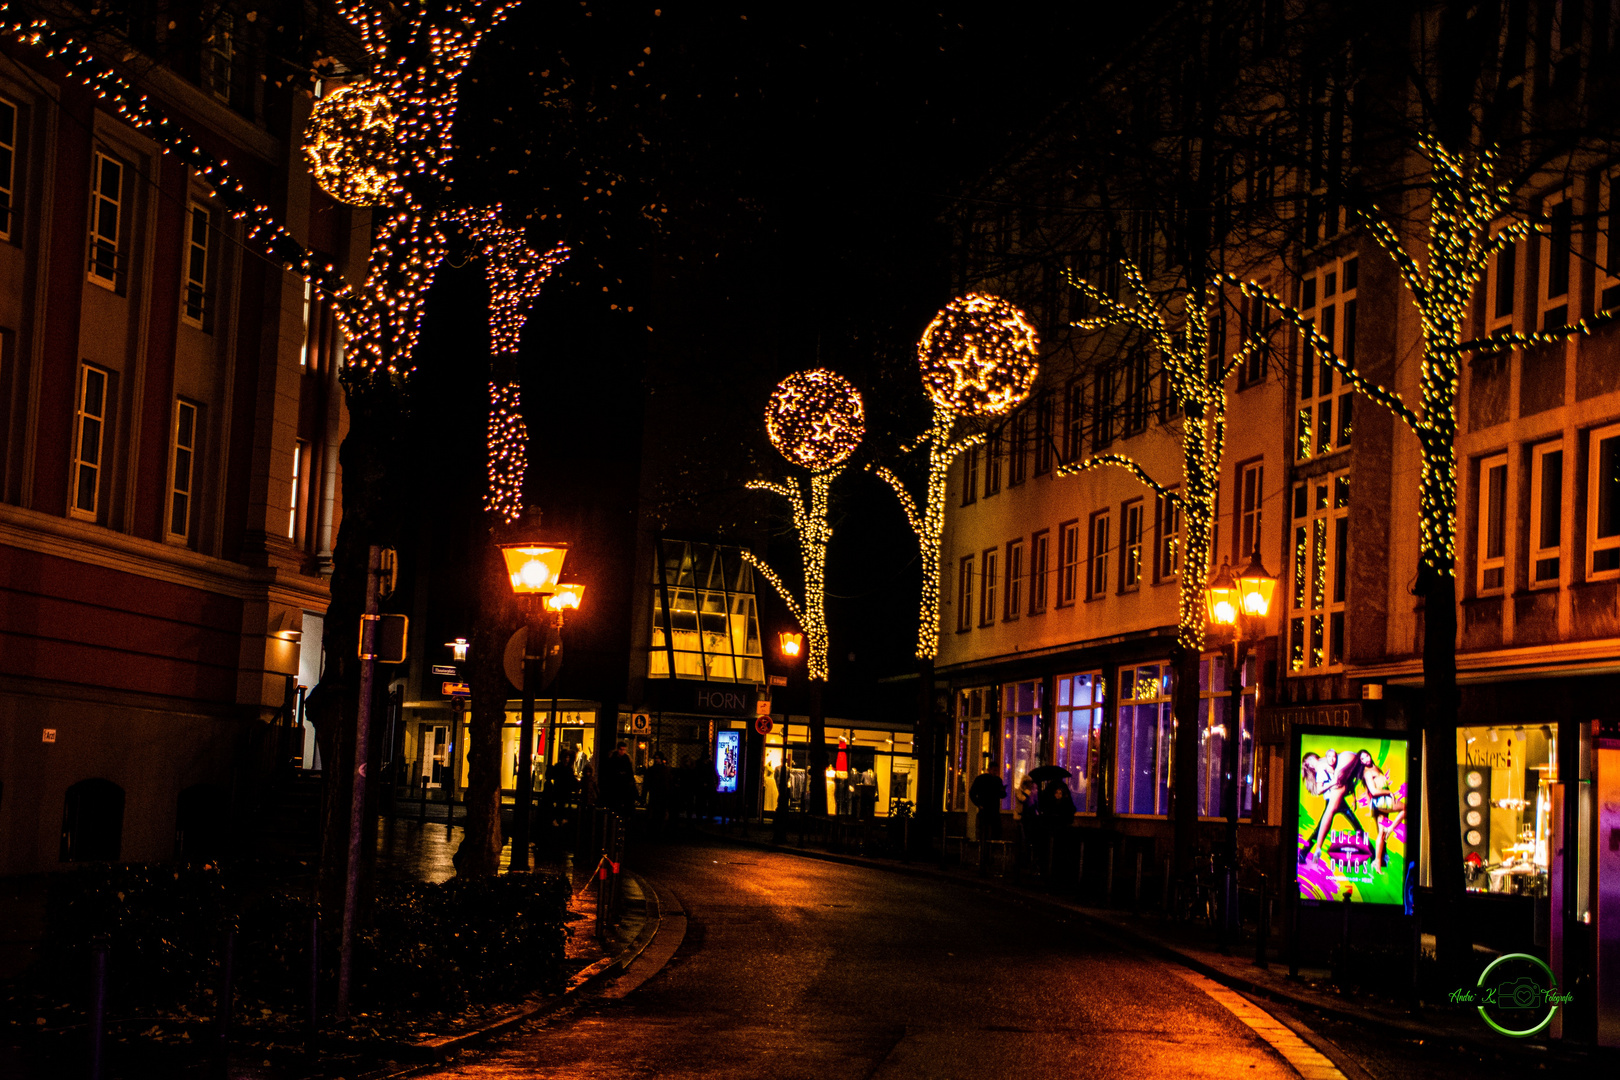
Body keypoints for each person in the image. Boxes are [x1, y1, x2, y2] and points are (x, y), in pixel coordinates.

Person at [1357, 749, 1405, 870]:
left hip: (1382, 801)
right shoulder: (1367, 773)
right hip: (1381, 801)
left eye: (1366, 756)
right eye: (1362, 759)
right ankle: (1391, 828)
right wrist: (1389, 792)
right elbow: (1373, 791)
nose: (1365, 759)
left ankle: (1377, 863)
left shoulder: (1376, 768)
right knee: (1405, 808)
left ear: (1370, 755)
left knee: (1381, 833)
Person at [968, 760, 1006, 877]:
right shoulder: (985, 779)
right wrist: (979, 804)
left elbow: (1001, 795)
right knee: (987, 835)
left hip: (990, 811)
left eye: (996, 770)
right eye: (994, 770)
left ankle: (987, 860)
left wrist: (979, 803)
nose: (995, 772)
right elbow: (972, 793)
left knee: (990, 835)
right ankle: (985, 860)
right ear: (989, 769)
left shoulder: (992, 780)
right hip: (988, 811)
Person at [603, 741, 638, 821]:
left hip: (623, 786)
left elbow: (630, 773)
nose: (622, 751)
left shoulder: (625, 759)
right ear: (618, 749)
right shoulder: (614, 759)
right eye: (621, 749)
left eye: (624, 750)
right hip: (615, 786)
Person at [644, 751, 674, 837]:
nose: (657, 760)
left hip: (658, 793)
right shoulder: (664, 770)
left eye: (658, 758)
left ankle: (654, 830)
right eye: (656, 758)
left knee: (656, 813)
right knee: (657, 813)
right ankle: (657, 831)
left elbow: (647, 783)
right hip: (659, 793)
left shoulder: (654, 770)